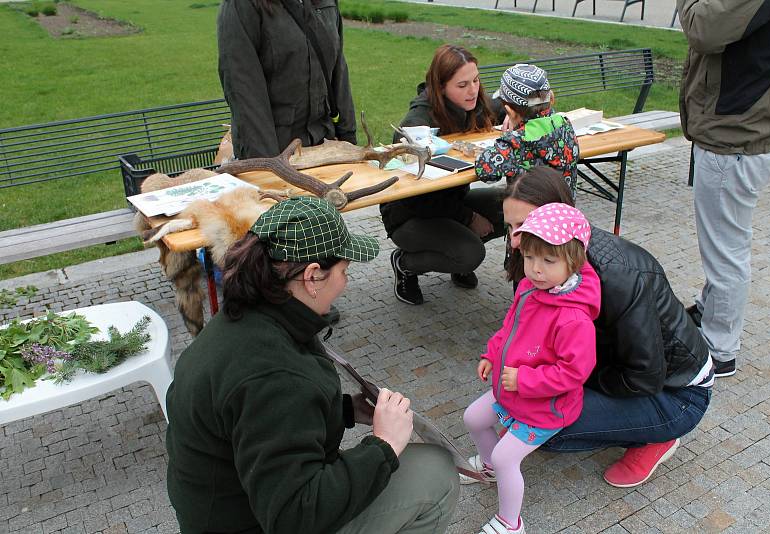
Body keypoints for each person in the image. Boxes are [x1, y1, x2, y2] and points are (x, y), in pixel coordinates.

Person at [165, 197, 459, 533]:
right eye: (344, 271)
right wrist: (384, 446)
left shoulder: (244, 318)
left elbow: (259, 427)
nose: (345, 283)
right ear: (312, 276)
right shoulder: (276, 376)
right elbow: (295, 516)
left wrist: (344, 410)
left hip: (226, 511)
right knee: (435, 472)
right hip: (262, 521)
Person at [502, 167, 713, 488]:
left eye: (523, 226)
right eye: (511, 227)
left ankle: (658, 437)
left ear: (561, 215)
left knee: (543, 429)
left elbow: (645, 375)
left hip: (677, 393)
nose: (515, 241)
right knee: (526, 407)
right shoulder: (547, 259)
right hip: (618, 370)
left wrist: (568, 379)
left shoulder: (616, 276)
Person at [677, 0, 770, 377]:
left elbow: (705, 28)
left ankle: (720, 348)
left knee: (726, 249)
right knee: (725, 242)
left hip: (736, 136)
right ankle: (711, 307)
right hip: (747, 128)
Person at [461, 204, 600, 534]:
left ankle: (511, 523)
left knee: (510, 456)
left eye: (548, 261)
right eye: (530, 258)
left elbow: (574, 373)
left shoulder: (574, 318)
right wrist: (491, 355)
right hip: (512, 392)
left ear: (574, 261)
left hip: (546, 408)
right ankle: (491, 467)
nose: (536, 269)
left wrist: (525, 379)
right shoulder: (528, 289)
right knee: (473, 418)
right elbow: (509, 329)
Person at [380, 44, 505, 305]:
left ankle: (454, 255)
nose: (473, 90)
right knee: (471, 252)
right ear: (440, 87)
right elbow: (417, 199)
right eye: (462, 85)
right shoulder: (414, 127)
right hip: (409, 214)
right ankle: (405, 264)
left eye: (476, 80)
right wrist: (469, 218)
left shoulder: (472, 104)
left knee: (516, 207)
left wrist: (519, 110)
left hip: (450, 203)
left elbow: (500, 106)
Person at [217, 0, 357, 160]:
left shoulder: (327, 2)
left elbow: (339, 73)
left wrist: (349, 143)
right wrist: (269, 167)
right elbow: (244, 92)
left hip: (326, 150)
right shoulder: (242, 5)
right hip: (276, 153)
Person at [475, 64, 580, 196]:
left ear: (509, 112)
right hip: (562, 212)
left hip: (529, 215)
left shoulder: (516, 142)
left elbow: (484, 171)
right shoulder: (565, 125)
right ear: (551, 98)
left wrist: (509, 137)